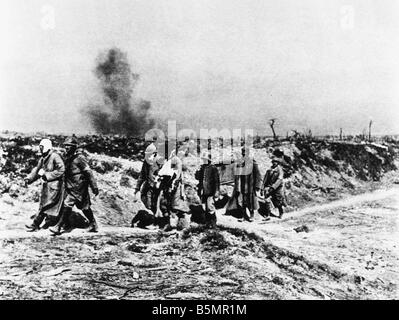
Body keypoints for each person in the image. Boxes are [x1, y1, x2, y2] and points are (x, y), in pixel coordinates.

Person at [50, 137, 99, 235]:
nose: (67, 148)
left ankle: (58, 227)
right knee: (84, 207)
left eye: (69, 146)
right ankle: (93, 224)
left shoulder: (79, 158)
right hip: (70, 185)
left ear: (74, 147)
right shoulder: (67, 157)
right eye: (66, 146)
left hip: (79, 186)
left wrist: (94, 186)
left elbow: (88, 172)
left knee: (67, 203)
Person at [25, 139, 65, 232]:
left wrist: (46, 175)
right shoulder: (43, 158)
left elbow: (61, 170)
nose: (40, 149)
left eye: (42, 147)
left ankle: (36, 224)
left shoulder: (55, 156)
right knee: (44, 205)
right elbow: (37, 170)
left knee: (45, 206)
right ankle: (38, 224)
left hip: (54, 187)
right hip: (47, 187)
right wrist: (29, 178)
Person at [226, 146, 262, 222]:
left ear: (248, 153)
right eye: (242, 152)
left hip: (250, 186)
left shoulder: (253, 162)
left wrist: (257, 185)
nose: (243, 154)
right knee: (242, 201)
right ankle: (243, 216)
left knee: (251, 201)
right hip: (242, 185)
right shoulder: (240, 162)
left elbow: (258, 175)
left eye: (245, 152)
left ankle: (251, 216)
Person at [134, 143, 164, 214]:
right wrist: (137, 188)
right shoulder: (146, 162)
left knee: (157, 204)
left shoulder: (161, 161)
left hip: (158, 187)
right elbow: (142, 175)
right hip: (148, 185)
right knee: (145, 199)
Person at [194, 150, 220, 227]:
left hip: (211, 190)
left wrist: (217, 191)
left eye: (205, 159)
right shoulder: (202, 168)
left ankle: (213, 222)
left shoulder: (213, 168)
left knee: (210, 206)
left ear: (208, 160)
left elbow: (217, 181)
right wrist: (197, 172)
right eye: (203, 159)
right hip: (204, 190)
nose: (204, 161)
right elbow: (198, 178)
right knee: (206, 206)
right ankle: (208, 222)